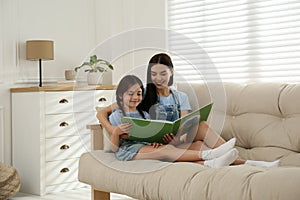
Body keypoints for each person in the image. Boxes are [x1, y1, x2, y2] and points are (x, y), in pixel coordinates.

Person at [98, 53, 280, 167]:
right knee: (199, 147)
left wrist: (179, 137)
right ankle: (227, 161)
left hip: (175, 140)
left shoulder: (180, 97)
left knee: (201, 126)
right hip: (153, 145)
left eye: (163, 73)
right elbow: (103, 112)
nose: (158, 78)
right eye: (154, 74)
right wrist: (112, 130)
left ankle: (246, 161)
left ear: (172, 72)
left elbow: (185, 125)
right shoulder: (141, 94)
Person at [109, 74, 238, 168]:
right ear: (121, 95)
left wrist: (154, 141)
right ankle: (209, 154)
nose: (135, 97)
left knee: (169, 149)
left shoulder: (145, 115)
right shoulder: (117, 116)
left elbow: (147, 137)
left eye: (139, 93)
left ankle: (210, 163)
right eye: (130, 94)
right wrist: (116, 133)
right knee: (165, 151)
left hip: (145, 147)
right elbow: (114, 148)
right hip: (128, 150)